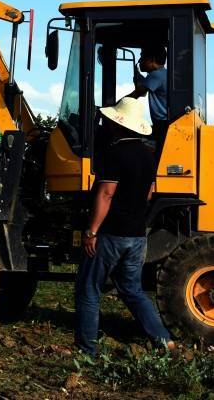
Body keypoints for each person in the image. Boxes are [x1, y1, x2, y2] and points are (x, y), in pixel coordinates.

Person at [75, 96, 174, 356]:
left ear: (119, 124)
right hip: (137, 236)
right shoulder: (148, 155)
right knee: (132, 290)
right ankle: (164, 339)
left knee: (88, 288)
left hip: (111, 234)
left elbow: (106, 193)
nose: (107, 125)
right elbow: (149, 193)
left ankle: (86, 350)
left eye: (110, 121)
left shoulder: (115, 152)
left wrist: (92, 231)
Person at [128, 46, 169, 150]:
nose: (139, 60)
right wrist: (138, 76)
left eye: (142, 57)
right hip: (163, 124)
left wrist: (116, 107)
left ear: (152, 60)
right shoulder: (163, 73)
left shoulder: (156, 75)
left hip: (162, 125)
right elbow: (144, 90)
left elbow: (137, 94)